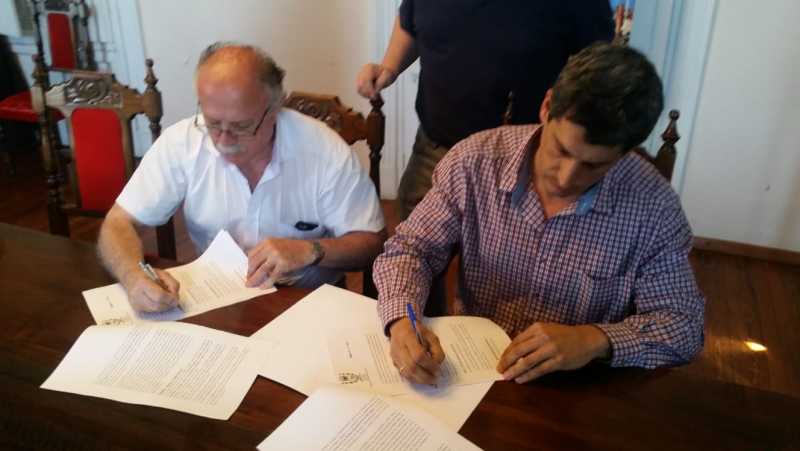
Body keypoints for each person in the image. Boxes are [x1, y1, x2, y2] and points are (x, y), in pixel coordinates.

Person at [374, 43, 705, 386]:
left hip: (580, 384)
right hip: (475, 370)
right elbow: (410, 250)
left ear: (625, 153)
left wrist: (595, 339)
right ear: (547, 107)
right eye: (561, 150)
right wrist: (402, 321)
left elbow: (683, 326)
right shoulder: (474, 162)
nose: (566, 178)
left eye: (593, 166)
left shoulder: (654, 207)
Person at [98, 42, 385, 313]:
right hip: (218, 298)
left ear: (274, 110)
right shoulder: (183, 142)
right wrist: (133, 276)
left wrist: (311, 250)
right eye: (212, 123)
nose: (223, 140)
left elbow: (372, 241)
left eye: (241, 126)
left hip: (308, 299)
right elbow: (117, 223)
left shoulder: (323, 150)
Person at [356, 1, 614, 220]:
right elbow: (410, 21)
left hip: (521, 163)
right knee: (411, 249)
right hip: (435, 150)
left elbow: (598, 64)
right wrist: (389, 67)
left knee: (501, 260)